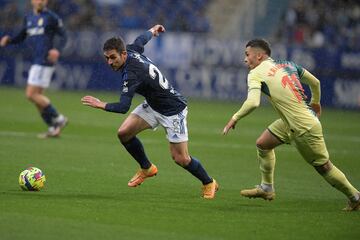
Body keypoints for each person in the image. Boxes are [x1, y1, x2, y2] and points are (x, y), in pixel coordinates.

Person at [81, 24, 218, 199]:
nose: (109, 62)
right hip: (154, 105)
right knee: (124, 133)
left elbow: (123, 107)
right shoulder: (130, 50)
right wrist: (152, 31)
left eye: (113, 57)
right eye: (107, 58)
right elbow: (140, 41)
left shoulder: (131, 74)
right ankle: (147, 168)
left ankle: (208, 182)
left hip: (173, 110)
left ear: (123, 54)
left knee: (181, 159)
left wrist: (101, 104)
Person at [223, 39, 360, 211]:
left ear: (259, 56)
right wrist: (315, 102)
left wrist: (234, 118)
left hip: (302, 127)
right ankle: (267, 188)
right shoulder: (288, 64)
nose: (245, 59)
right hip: (295, 120)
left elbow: (253, 102)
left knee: (324, 167)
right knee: (263, 144)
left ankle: (355, 197)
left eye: (247, 55)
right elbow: (315, 82)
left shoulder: (256, 73)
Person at [0, 0, 68, 138]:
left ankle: (59, 118)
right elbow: (22, 36)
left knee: (30, 95)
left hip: (45, 60)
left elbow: (64, 36)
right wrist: (10, 40)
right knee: (37, 98)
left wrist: (57, 50)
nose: (41, 1)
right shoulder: (29, 18)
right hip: (37, 60)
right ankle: (53, 128)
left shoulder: (51, 17)